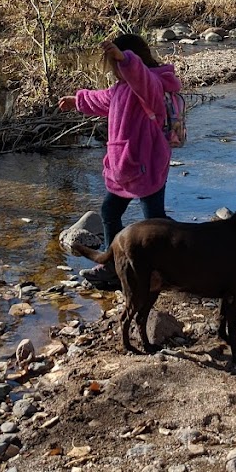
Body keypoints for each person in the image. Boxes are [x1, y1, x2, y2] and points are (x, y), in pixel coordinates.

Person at [58, 32, 182, 289]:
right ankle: (113, 266)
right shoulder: (122, 88)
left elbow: (142, 79)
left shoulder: (152, 86)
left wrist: (125, 59)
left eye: (115, 65)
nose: (115, 71)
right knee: (109, 212)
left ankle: (167, 267)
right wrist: (77, 100)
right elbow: (103, 99)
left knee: (154, 221)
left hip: (147, 163)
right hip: (124, 166)